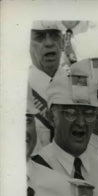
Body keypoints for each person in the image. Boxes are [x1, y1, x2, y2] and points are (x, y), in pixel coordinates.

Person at [29, 21, 68, 150]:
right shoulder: (18, 90)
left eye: (54, 36)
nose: (49, 43)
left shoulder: (78, 83)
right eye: (39, 37)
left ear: (62, 42)